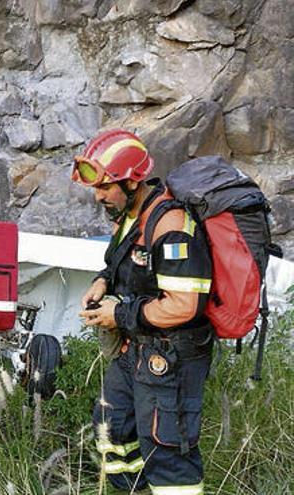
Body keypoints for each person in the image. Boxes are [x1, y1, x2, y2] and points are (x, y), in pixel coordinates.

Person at [74, 129, 213, 494]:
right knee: (112, 427)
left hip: (170, 356)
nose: (98, 195)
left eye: (106, 187)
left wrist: (118, 316)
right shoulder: (129, 217)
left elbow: (185, 305)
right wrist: (102, 283)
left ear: (133, 181)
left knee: (167, 453)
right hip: (134, 347)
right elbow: (119, 263)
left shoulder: (171, 227)